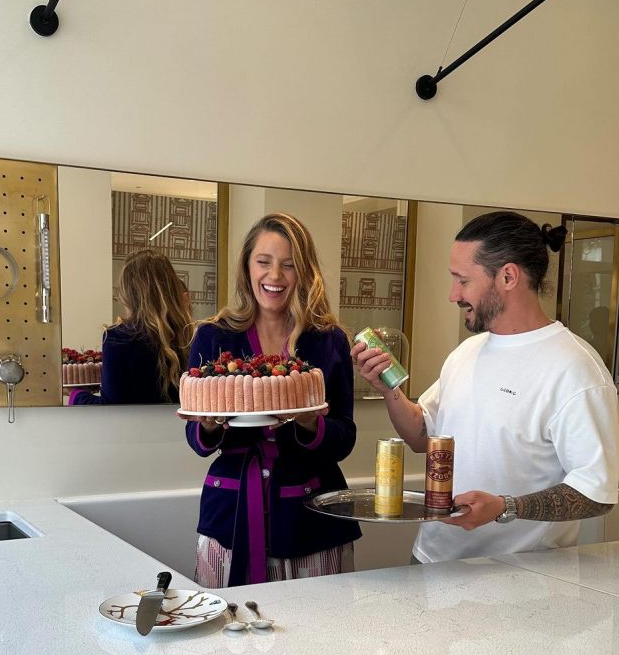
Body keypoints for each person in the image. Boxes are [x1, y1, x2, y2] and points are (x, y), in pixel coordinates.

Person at [352, 211, 618, 563]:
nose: (453, 295)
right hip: (431, 560)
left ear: (508, 276)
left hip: (519, 576)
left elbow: (598, 493)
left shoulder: (575, 369)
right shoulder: (467, 351)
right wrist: (388, 388)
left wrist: (506, 507)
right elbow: (422, 437)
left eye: (462, 280)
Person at [185, 213, 359, 587]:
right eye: (263, 262)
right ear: (247, 267)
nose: (275, 276)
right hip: (230, 514)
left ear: (304, 272)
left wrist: (310, 422)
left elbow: (344, 437)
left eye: (289, 265)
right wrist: (209, 427)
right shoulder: (214, 338)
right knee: (228, 622)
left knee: (319, 623)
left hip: (311, 518)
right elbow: (196, 439)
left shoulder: (328, 341)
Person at [68, 250, 192, 406]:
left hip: (135, 423)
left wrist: (75, 394)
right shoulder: (189, 334)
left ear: (129, 295)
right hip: (181, 422)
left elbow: (111, 407)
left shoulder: (118, 337)